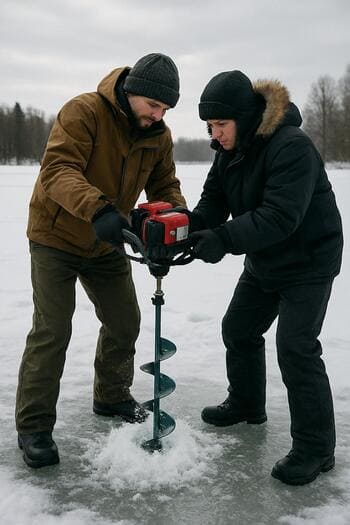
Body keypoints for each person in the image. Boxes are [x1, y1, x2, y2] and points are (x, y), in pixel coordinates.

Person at [15, 53, 186, 468]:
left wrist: (175, 224)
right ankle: (34, 426)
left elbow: (164, 184)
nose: (158, 115)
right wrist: (99, 208)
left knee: (125, 320)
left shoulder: (157, 135)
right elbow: (57, 170)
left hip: (105, 242)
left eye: (165, 109)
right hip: (56, 236)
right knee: (52, 328)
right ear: (132, 93)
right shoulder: (84, 111)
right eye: (154, 106)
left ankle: (110, 397)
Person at [188, 70, 343, 485]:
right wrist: (183, 228)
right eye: (209, 126)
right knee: (238, 329)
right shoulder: (229, 151)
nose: (214, 134)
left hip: (309, 262)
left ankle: (316, 448)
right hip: (264, 259)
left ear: (244, 116)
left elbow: (280, 217)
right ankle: (246, 405)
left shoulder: (292, 147)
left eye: (220, 125)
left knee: (295, 347)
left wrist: (222, 239)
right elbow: (212, 203)